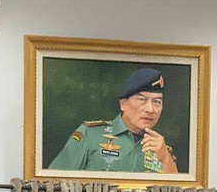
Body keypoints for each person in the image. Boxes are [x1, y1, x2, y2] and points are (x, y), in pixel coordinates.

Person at [49, 67, 179, 175]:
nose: (150, 109)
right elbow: (52, 183)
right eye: (142, 100)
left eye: (157, 102)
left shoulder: (161, 149)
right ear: (123, 104)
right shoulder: (90, 135)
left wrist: (166, 159)